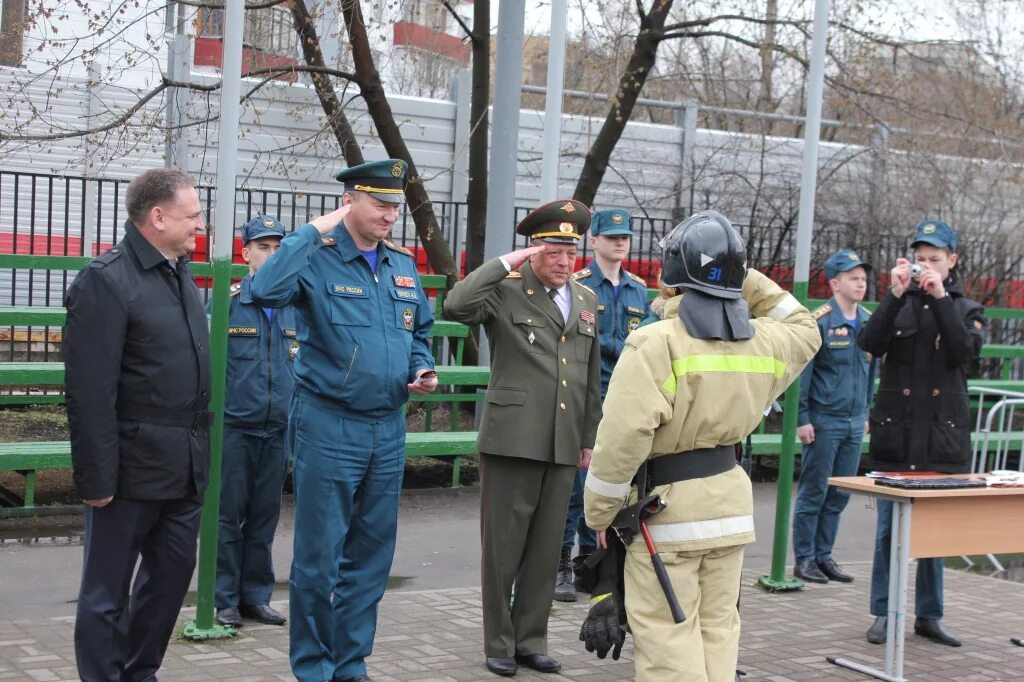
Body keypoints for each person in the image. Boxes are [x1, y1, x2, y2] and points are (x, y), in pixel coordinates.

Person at [582, 210, 820, 682]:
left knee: (669, 642)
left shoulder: (654, 343)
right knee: (718, 631)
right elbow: (804, 324)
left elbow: (622, 441)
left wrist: (599, 514)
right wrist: (737, 271)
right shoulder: (767, 342)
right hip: (730, 511)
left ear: (672, 279)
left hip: (664, 516)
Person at [248, 159, 437, 682]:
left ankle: (350, 665)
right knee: (318, 559)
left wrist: (421, 366)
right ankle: (313, 668)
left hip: (387, 426)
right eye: (380, 203)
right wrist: (310, 230)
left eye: (395, 206)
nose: (390, 215)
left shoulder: (401, 265)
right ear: (349, 201)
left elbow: (419, 329)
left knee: (371, 558)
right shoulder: (317, 257)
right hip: (329, 424)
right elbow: (263, 292)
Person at [443, 199, 603, 677]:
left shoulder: (586, 299)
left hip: (563, 440)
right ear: (533, 251)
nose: (563, 260)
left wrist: (589, 437)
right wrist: (504, 263)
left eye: (569, 252)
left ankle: (532, 639)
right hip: (513, 438)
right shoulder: (507, 291)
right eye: (553, 250)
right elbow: (457, 304)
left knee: (546, 547)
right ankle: (499, 642)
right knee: (504, 548)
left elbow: (591, 378)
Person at [64, 168, 212, 682]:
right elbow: (89, 392)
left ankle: (138, 671)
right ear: (157, 216)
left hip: (184, 465)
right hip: (127, 469)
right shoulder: (106, 281)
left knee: (172, 578)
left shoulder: (178, 272)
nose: (200, 224)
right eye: (192, 215)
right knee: (106, 593)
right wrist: (96, 478)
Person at [857, 220, 985, 648]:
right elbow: (870, 343)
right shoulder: (899, 302)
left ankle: (929, 615)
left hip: (940, 437)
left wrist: (941, 297)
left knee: (936, 534)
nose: (925, 266)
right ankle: (883, 612)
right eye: (920, 258)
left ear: (952, 261)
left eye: (935, 259)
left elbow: (963, 353)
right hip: (898, 435)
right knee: (888, 533)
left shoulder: (966, 309)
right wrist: (893, 295)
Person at [555, 208, 650, 602]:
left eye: (625, 237)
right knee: (575, 487)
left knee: (612, 485)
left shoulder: (638, 289)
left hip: (624, 398)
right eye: (611, 237)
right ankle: (560, 564)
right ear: (593, 241)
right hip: (586, 395)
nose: (620, 242)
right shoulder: (579, 285)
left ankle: (592, 565)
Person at [213, 215, 297, 629]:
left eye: (278, 248)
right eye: (263, 247)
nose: (271, 254)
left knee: (265, 517)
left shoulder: (295, 304)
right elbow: (209, 368)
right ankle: (224, 598)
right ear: (245, 252)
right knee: (227, 517)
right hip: (234, 428)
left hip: (278, 428)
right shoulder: (227, 302)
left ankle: (255, 596)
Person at [791, 249, 876, 585]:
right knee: (814, 492)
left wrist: (866, 411)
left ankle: (825, 556)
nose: (861, 284)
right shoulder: (820, 321)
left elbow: (871, 372)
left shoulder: (869, 322)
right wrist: (802, 417)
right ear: (835, 283)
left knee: (840, 492)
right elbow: (802, 375)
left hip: (855, 421)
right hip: (824, 420)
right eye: (854, 278)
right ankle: (805, 559)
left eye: (864, 278)